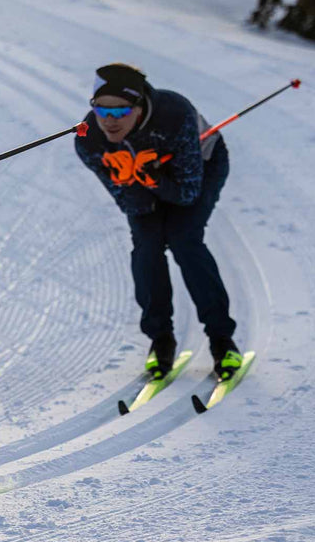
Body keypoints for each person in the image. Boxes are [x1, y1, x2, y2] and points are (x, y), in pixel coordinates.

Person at [74, 63, 243, 381]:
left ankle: (222, 339)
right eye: (101, 109)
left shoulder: (175, 114)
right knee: (146, 247)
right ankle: (160, 338)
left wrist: (148, 177)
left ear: (139, 107)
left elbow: (187, 194)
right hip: (146, 181)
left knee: (184, 240)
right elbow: (130, 205)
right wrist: (129, 181)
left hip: (203, 167)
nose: (110, 120)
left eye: (121, 110)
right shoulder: (89, 141)